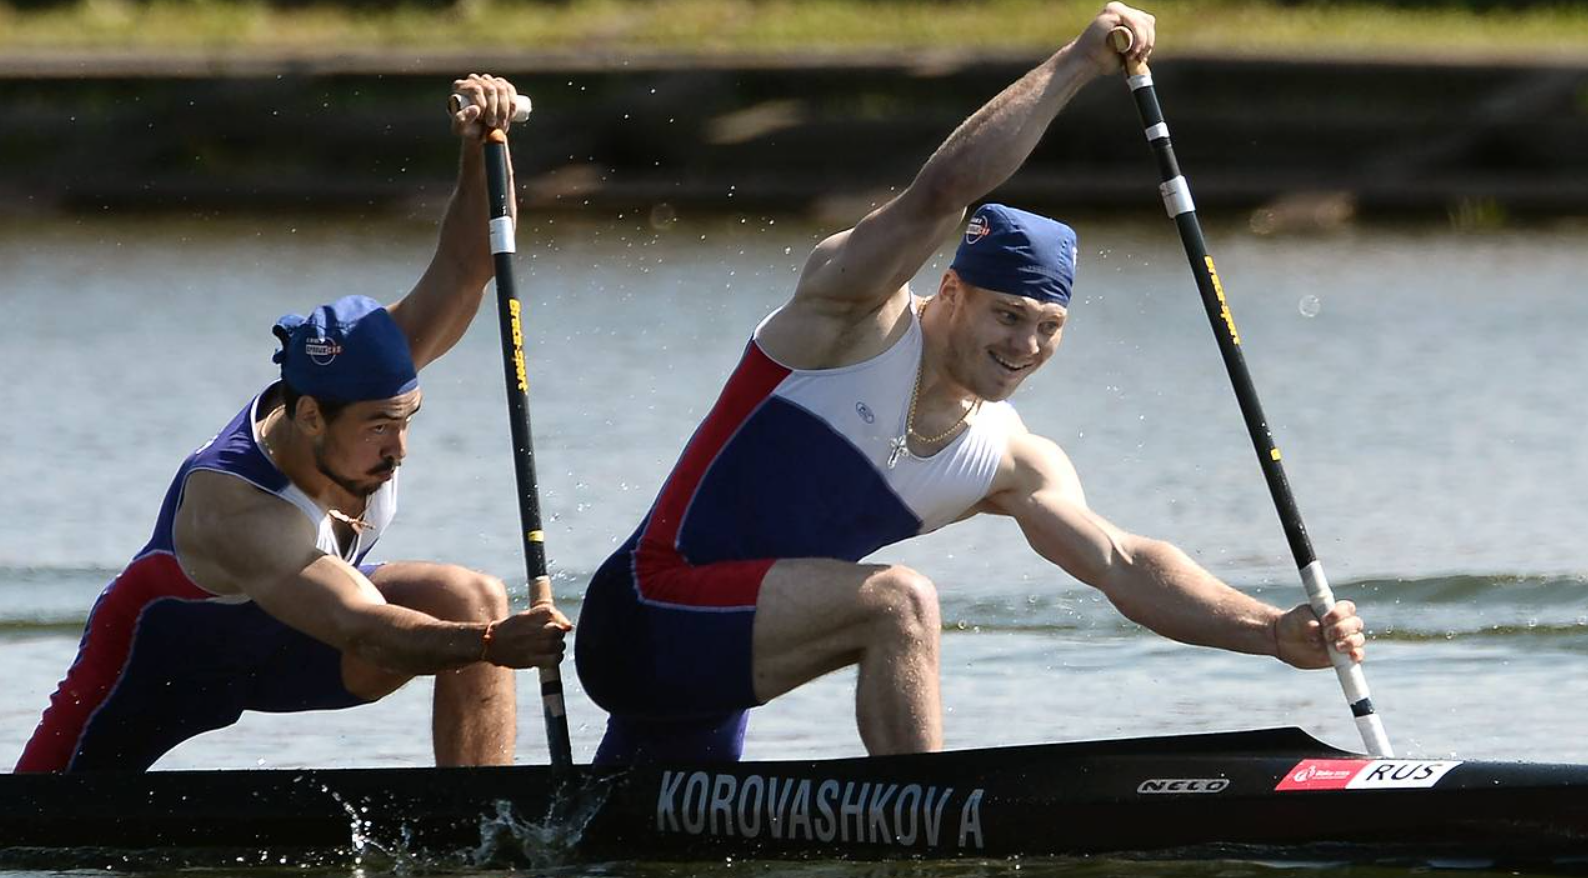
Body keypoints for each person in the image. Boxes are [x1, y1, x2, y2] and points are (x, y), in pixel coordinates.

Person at [574, 3, 1367, 764]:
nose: (1025, 346)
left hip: (718, 673)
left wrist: (1270, 631)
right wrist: (1076, 65)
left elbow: (1123, 563)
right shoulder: (848, 321)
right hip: (644, 614)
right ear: (949, 291)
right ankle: (925, 834)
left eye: (1047, 328)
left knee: (609, 836)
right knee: (900, 601)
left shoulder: (1007, 456)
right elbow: (939, 195)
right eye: (1008, 315)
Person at [16, 74, 571, 773]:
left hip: (291, 653)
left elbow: (469, 265)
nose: (398, 448)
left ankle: (486, 817)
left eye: (407, 420)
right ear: (310, 415)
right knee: (36, 828)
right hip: (155, 671)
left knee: (470, 596)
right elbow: (362, 628)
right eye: (378, 428)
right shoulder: (234, 501)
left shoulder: (370, 374)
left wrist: (482, 143)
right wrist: (492, 646)